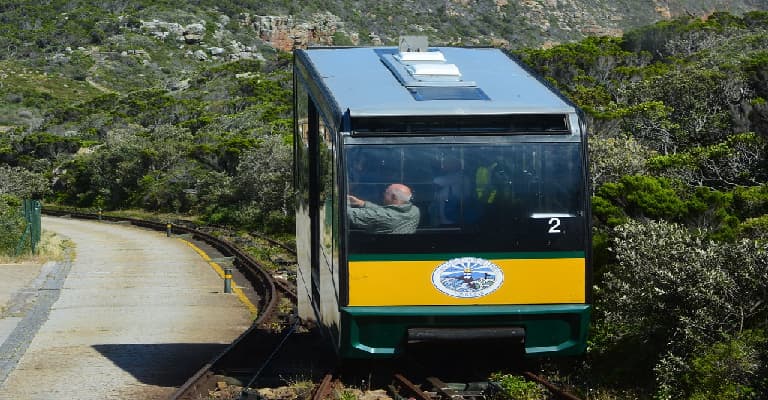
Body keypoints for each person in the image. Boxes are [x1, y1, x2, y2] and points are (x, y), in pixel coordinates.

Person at [348, 183, 420, 234]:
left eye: (386, 192)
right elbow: (388, 212)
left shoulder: (386, 217)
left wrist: (345, 201)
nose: (383, 194)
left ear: (394, 197)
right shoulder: (415, 211)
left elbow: (349, 214)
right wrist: (362, 204)